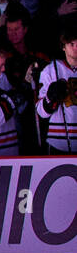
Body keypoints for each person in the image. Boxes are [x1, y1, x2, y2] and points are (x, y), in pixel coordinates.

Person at [37, 22, 77, 154]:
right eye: (71, 44)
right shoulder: (51, 70)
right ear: (63, 47)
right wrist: (50, 98)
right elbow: (41, 112)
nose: (76, 47)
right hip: (58, 142)